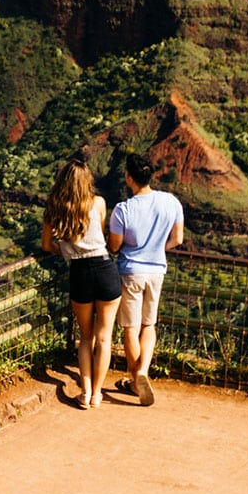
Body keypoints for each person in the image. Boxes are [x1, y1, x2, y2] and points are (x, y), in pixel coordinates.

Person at [41, 156, 121, 409]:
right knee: (104, 338)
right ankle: (98, 393)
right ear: (86, 181)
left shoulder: (54, 210)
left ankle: (85, 393)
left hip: (79, 273)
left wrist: (65, 251)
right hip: (105, 269)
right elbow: (101, 235)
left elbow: (46, 245)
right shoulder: (98, 203)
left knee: (85, 338)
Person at [107, 153, 184, 406]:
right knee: (148, 326)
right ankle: (143, 372)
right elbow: (178, 239)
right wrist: (158, 249)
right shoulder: (171, 202)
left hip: (131, 271)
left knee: (130, 327)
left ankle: (134, 377)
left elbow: (115, 246)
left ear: (129, 178)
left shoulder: (123, 209)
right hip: (156, 270)